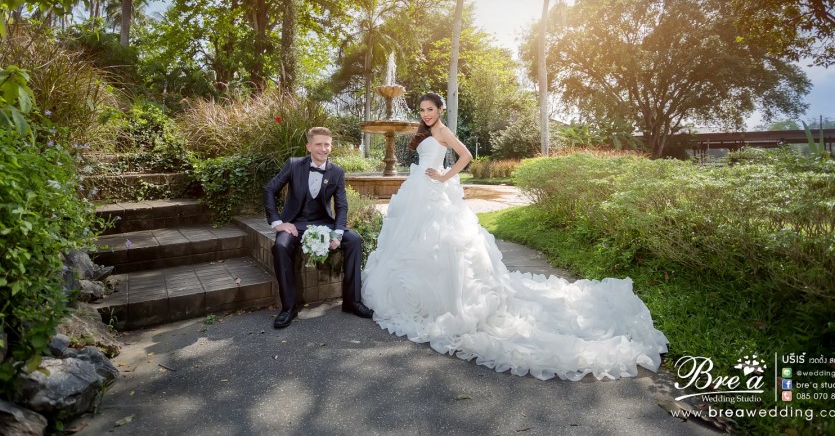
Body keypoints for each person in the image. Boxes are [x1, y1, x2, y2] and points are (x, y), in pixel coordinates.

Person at [361, 93, 668, 381]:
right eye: (423, 110)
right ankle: (421, 296)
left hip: (434, 191)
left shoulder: (443, 131)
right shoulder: (426, 132)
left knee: (446, 245)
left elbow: (465, 155)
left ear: (440, 110)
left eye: (431, 110)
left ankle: (445, 301)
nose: (427, 115)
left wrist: (444, 175)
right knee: (416, 242)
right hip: (418, 191)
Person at [264, 126, 373, 329]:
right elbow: (269, 189)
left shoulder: (337, 172)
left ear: (331, 146)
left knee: (354, 240)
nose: (323, 149)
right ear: (309, 146)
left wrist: (338, 234)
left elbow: (341, 205)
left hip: (323, 222)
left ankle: (352, 301)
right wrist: (278, 223)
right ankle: (288, 307)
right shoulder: (294, 165)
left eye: (327, 145)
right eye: (318, 144)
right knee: (280, 247)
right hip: (295, 224)